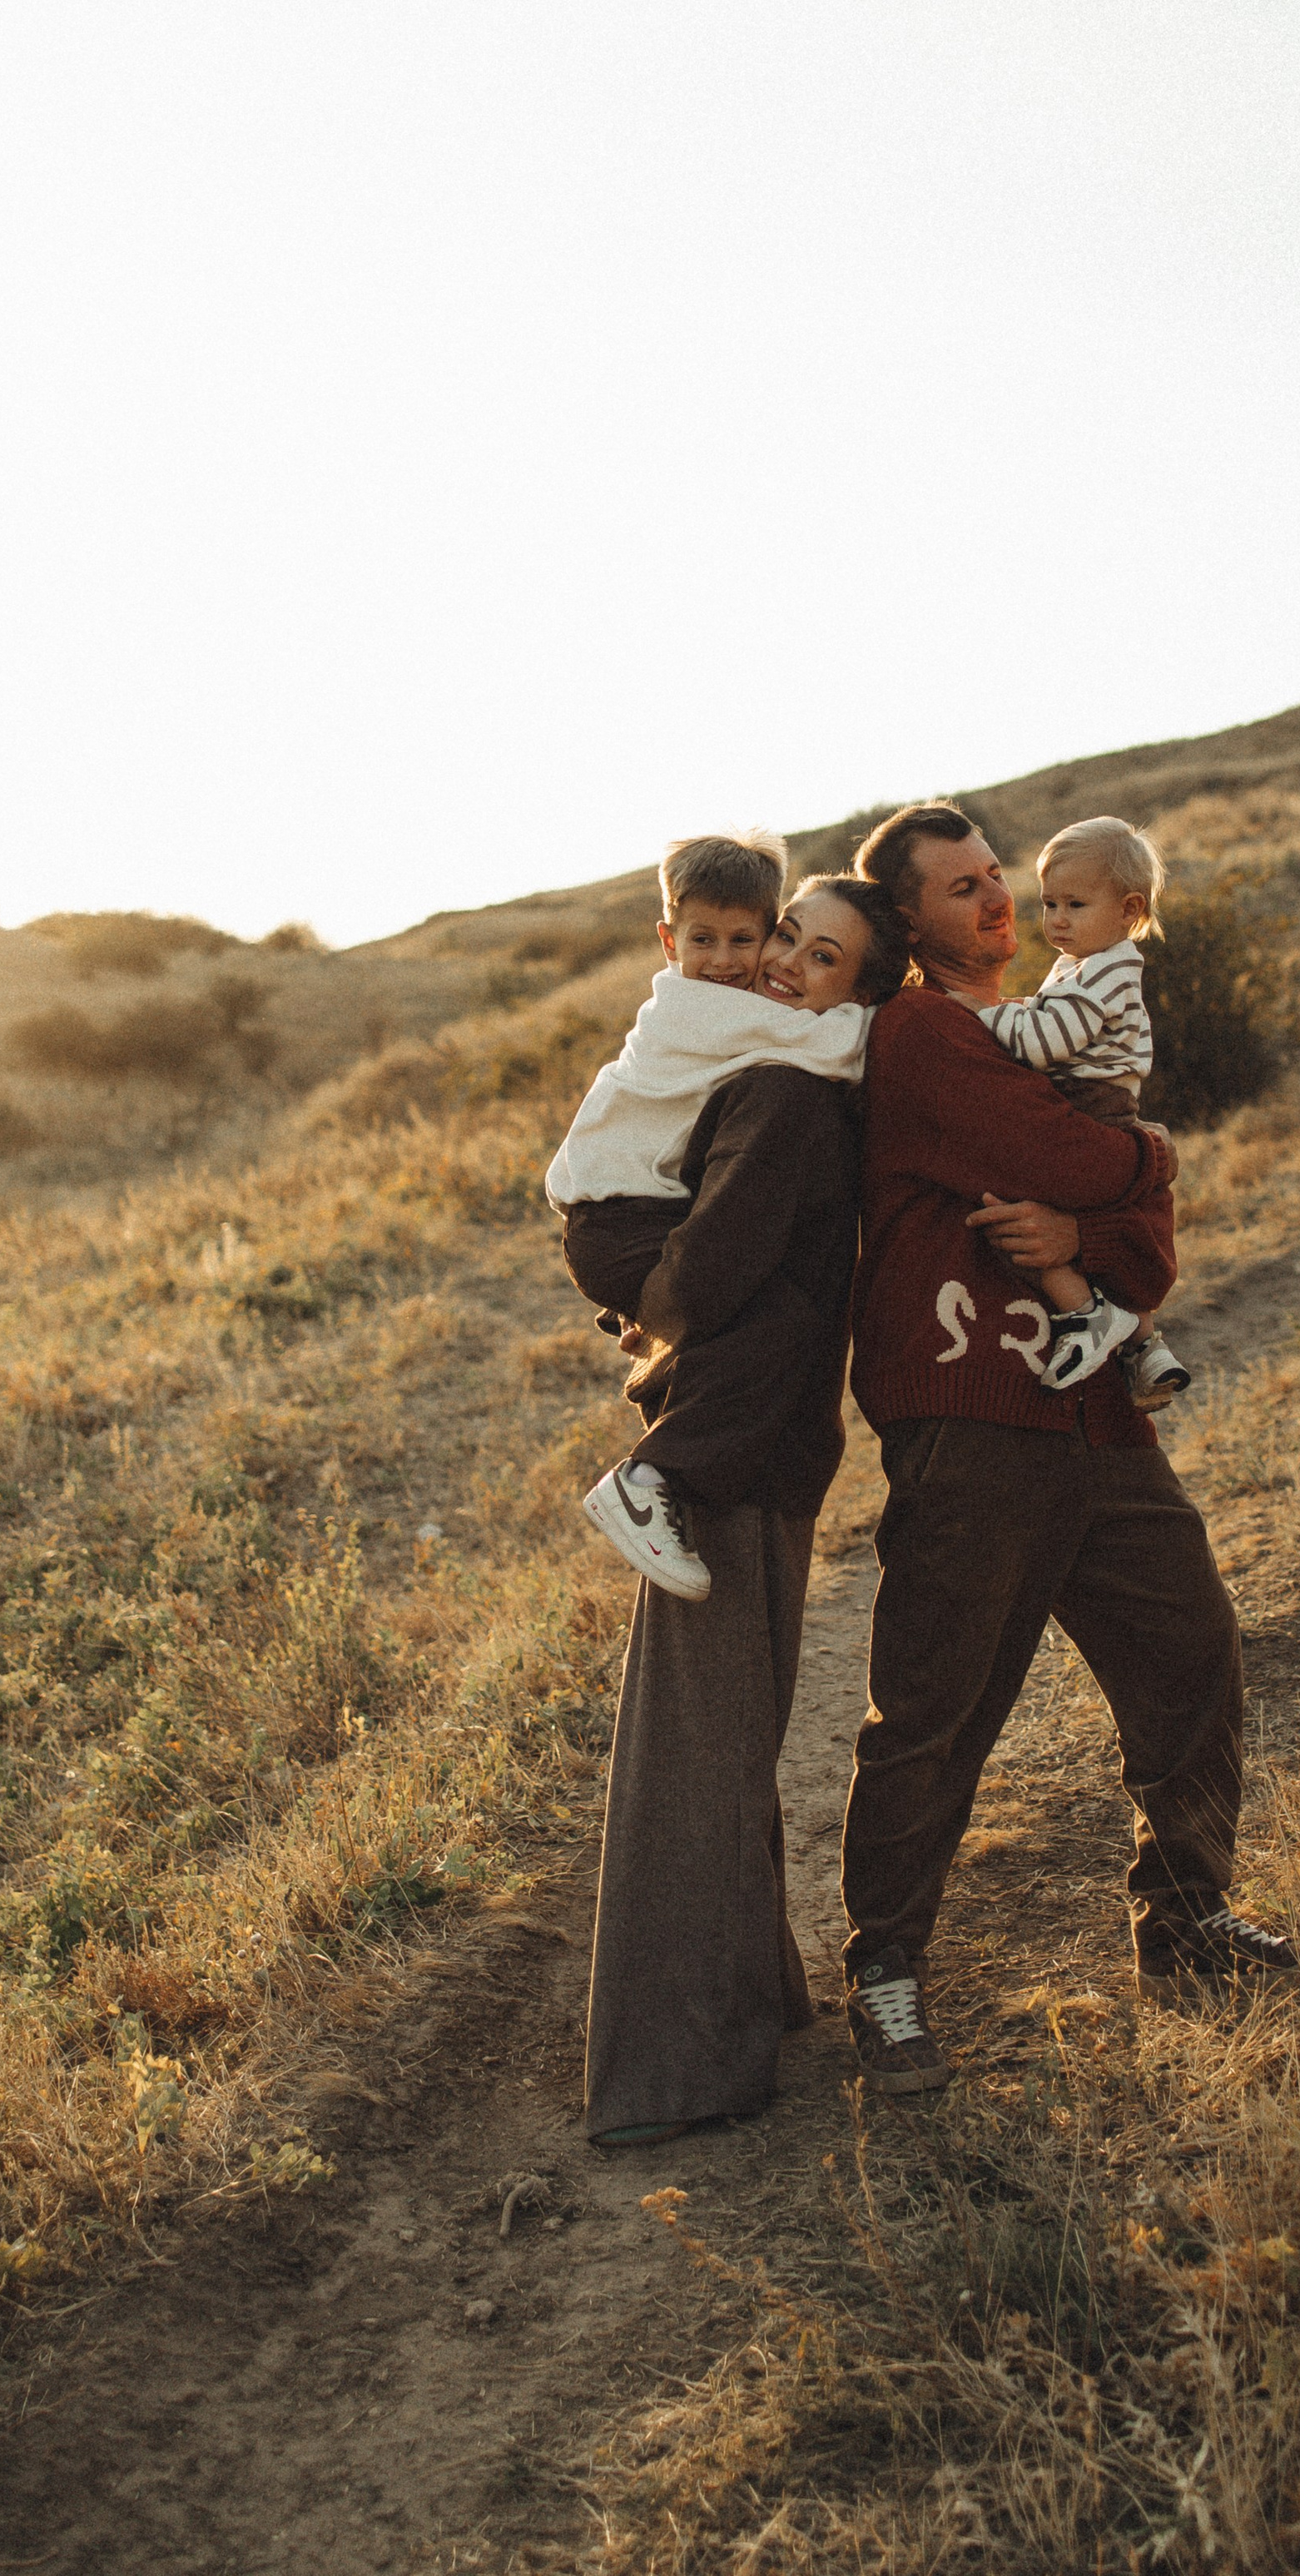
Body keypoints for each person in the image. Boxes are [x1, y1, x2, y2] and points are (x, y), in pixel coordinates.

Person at [836, 803, 1293, 2095]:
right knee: (938, 1705)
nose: (995, 899)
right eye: (961, 888)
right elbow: (1063, 1154)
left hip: (1097, 1414)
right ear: (906, 921)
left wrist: (1090, 1230)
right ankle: (884, 1974)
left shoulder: (1051, 1022)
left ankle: (1187, 1923)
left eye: (997, 874)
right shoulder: (922, 1033)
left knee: (1191, 1654)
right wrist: (1145, 1154)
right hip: (972, 1415)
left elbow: (1145, 1252)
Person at [579, 873, 914, 2147]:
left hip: (761, 1451)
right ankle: (674, 2073)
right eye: (786, 936)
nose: (779, 963)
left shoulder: (795, 1082)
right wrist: (656, 1316)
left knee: (729, 1749)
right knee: (703, 1760)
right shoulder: (779, 1085)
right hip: (717, 1461)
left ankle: (752, 2004)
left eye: (817, 956)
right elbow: (705, 1270)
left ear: (856, 993)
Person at [547, 831, 871, 1599]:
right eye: (702, 940)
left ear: (767, 933)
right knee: (771, 1323)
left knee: (758, 1321)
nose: (724, 960)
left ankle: (662, 1464)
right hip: (620, 1222)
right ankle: (649, 1479)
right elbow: (837, 1048)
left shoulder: (723, 1009)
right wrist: (898, 1014)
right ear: (669, 941)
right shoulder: (698, 1010)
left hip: (636, 1215)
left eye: (743, 940)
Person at [980, 814, 1191, 1409]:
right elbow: (1051, 1018)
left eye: (1075, 904)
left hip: (1092, 1101)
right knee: (1107, 1210)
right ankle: (1146, 1345)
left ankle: (1085, 1312)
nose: (1057, 919)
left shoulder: (1109, 969)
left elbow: (1045, 1042)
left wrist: (981, 1012)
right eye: (1049, 903)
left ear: (1128, 910)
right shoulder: (1083, 965)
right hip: (1097, 1098)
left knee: (1018, 1206)